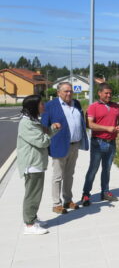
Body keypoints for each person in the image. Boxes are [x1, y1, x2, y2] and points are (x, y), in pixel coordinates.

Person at [41, 82, 89, 214]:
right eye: (65, 91)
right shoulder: (50, 106)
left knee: (69, 174)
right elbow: (44, 126)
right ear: (58, 93)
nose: (69, 94)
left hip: (74, 145)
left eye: (70, 91)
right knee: (58, 176)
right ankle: (56, 204)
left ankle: (68, 199)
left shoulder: (76, 104)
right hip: (58, 146)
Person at [17, 95, 61, 235]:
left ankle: (33, 218)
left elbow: (44, 134)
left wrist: (52, 129)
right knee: (32, 195)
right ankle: (29, 225)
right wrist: (51, 132)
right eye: (41, 103)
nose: (44, 106)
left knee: (36, 193)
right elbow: (42, 141)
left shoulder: (33, 120)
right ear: (34, 106)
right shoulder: (26, 123)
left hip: (37, 163)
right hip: (31, 164)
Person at [82, 83, 119, 206]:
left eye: (110, 93)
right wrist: (107, 129)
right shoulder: (93, 107)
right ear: (99, 93)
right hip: (98, 143)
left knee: (107, 169)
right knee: (93, 169)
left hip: (111, 143)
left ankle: (105, 192)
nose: (109, 95)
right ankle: (85, 194)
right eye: (106, 93)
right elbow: (90, 124)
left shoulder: (116, 106)